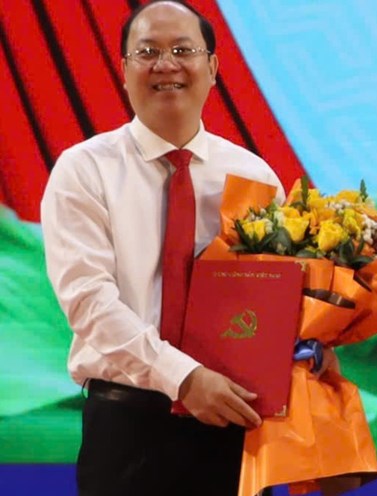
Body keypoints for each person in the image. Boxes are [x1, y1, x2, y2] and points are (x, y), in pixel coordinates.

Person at [41, 1, 284, 494]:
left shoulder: (254, 177)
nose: (166, 64)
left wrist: (309, 346)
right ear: (125, 69)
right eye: (147, 51)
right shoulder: (84, 169)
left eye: (182, 50)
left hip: (233, 423)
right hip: (128, 424)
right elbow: (89, 303)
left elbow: (278, 300)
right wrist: (184, 378)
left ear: (213, 67)